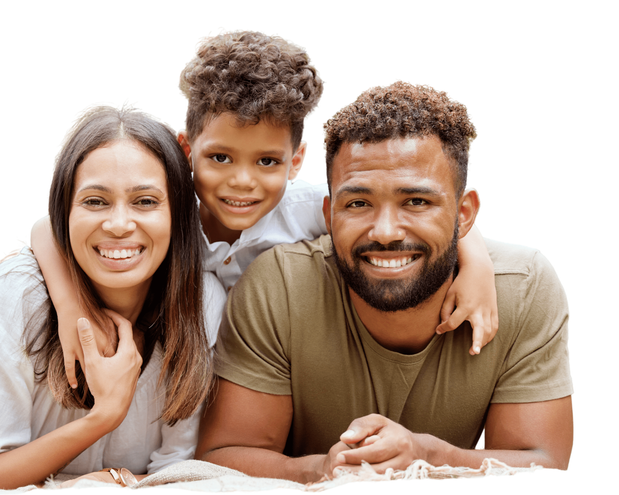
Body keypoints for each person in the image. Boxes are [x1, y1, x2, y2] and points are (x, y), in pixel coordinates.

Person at [31, 32, 500, 393]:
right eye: (220, 158)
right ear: (186, 147)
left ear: (296, 161)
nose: (242, 181)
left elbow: (420, 215)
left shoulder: (310, 210)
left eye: (268, 162)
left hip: (272, 377)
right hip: (189, 381)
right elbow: (47, 229)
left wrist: (475, 266)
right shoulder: (161, 215)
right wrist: (73, 306)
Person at [195, 82, 574, 482]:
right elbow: (223, 457)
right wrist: (325, 468)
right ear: (328, 214)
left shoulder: (523, 288)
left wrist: (427, 455)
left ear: (465, 214)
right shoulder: (279, 285)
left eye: (416, 202)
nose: (387, 231)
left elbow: (543, 468)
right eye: (358, 203)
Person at [0, 107, 226, 489]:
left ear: (178, 216)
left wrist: (111, 480)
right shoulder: (20, 295)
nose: (119, 225)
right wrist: (103, 417)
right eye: (95, 201)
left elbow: (175, 471)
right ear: (63, 212)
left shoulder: (202, 303)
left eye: (146, 201)